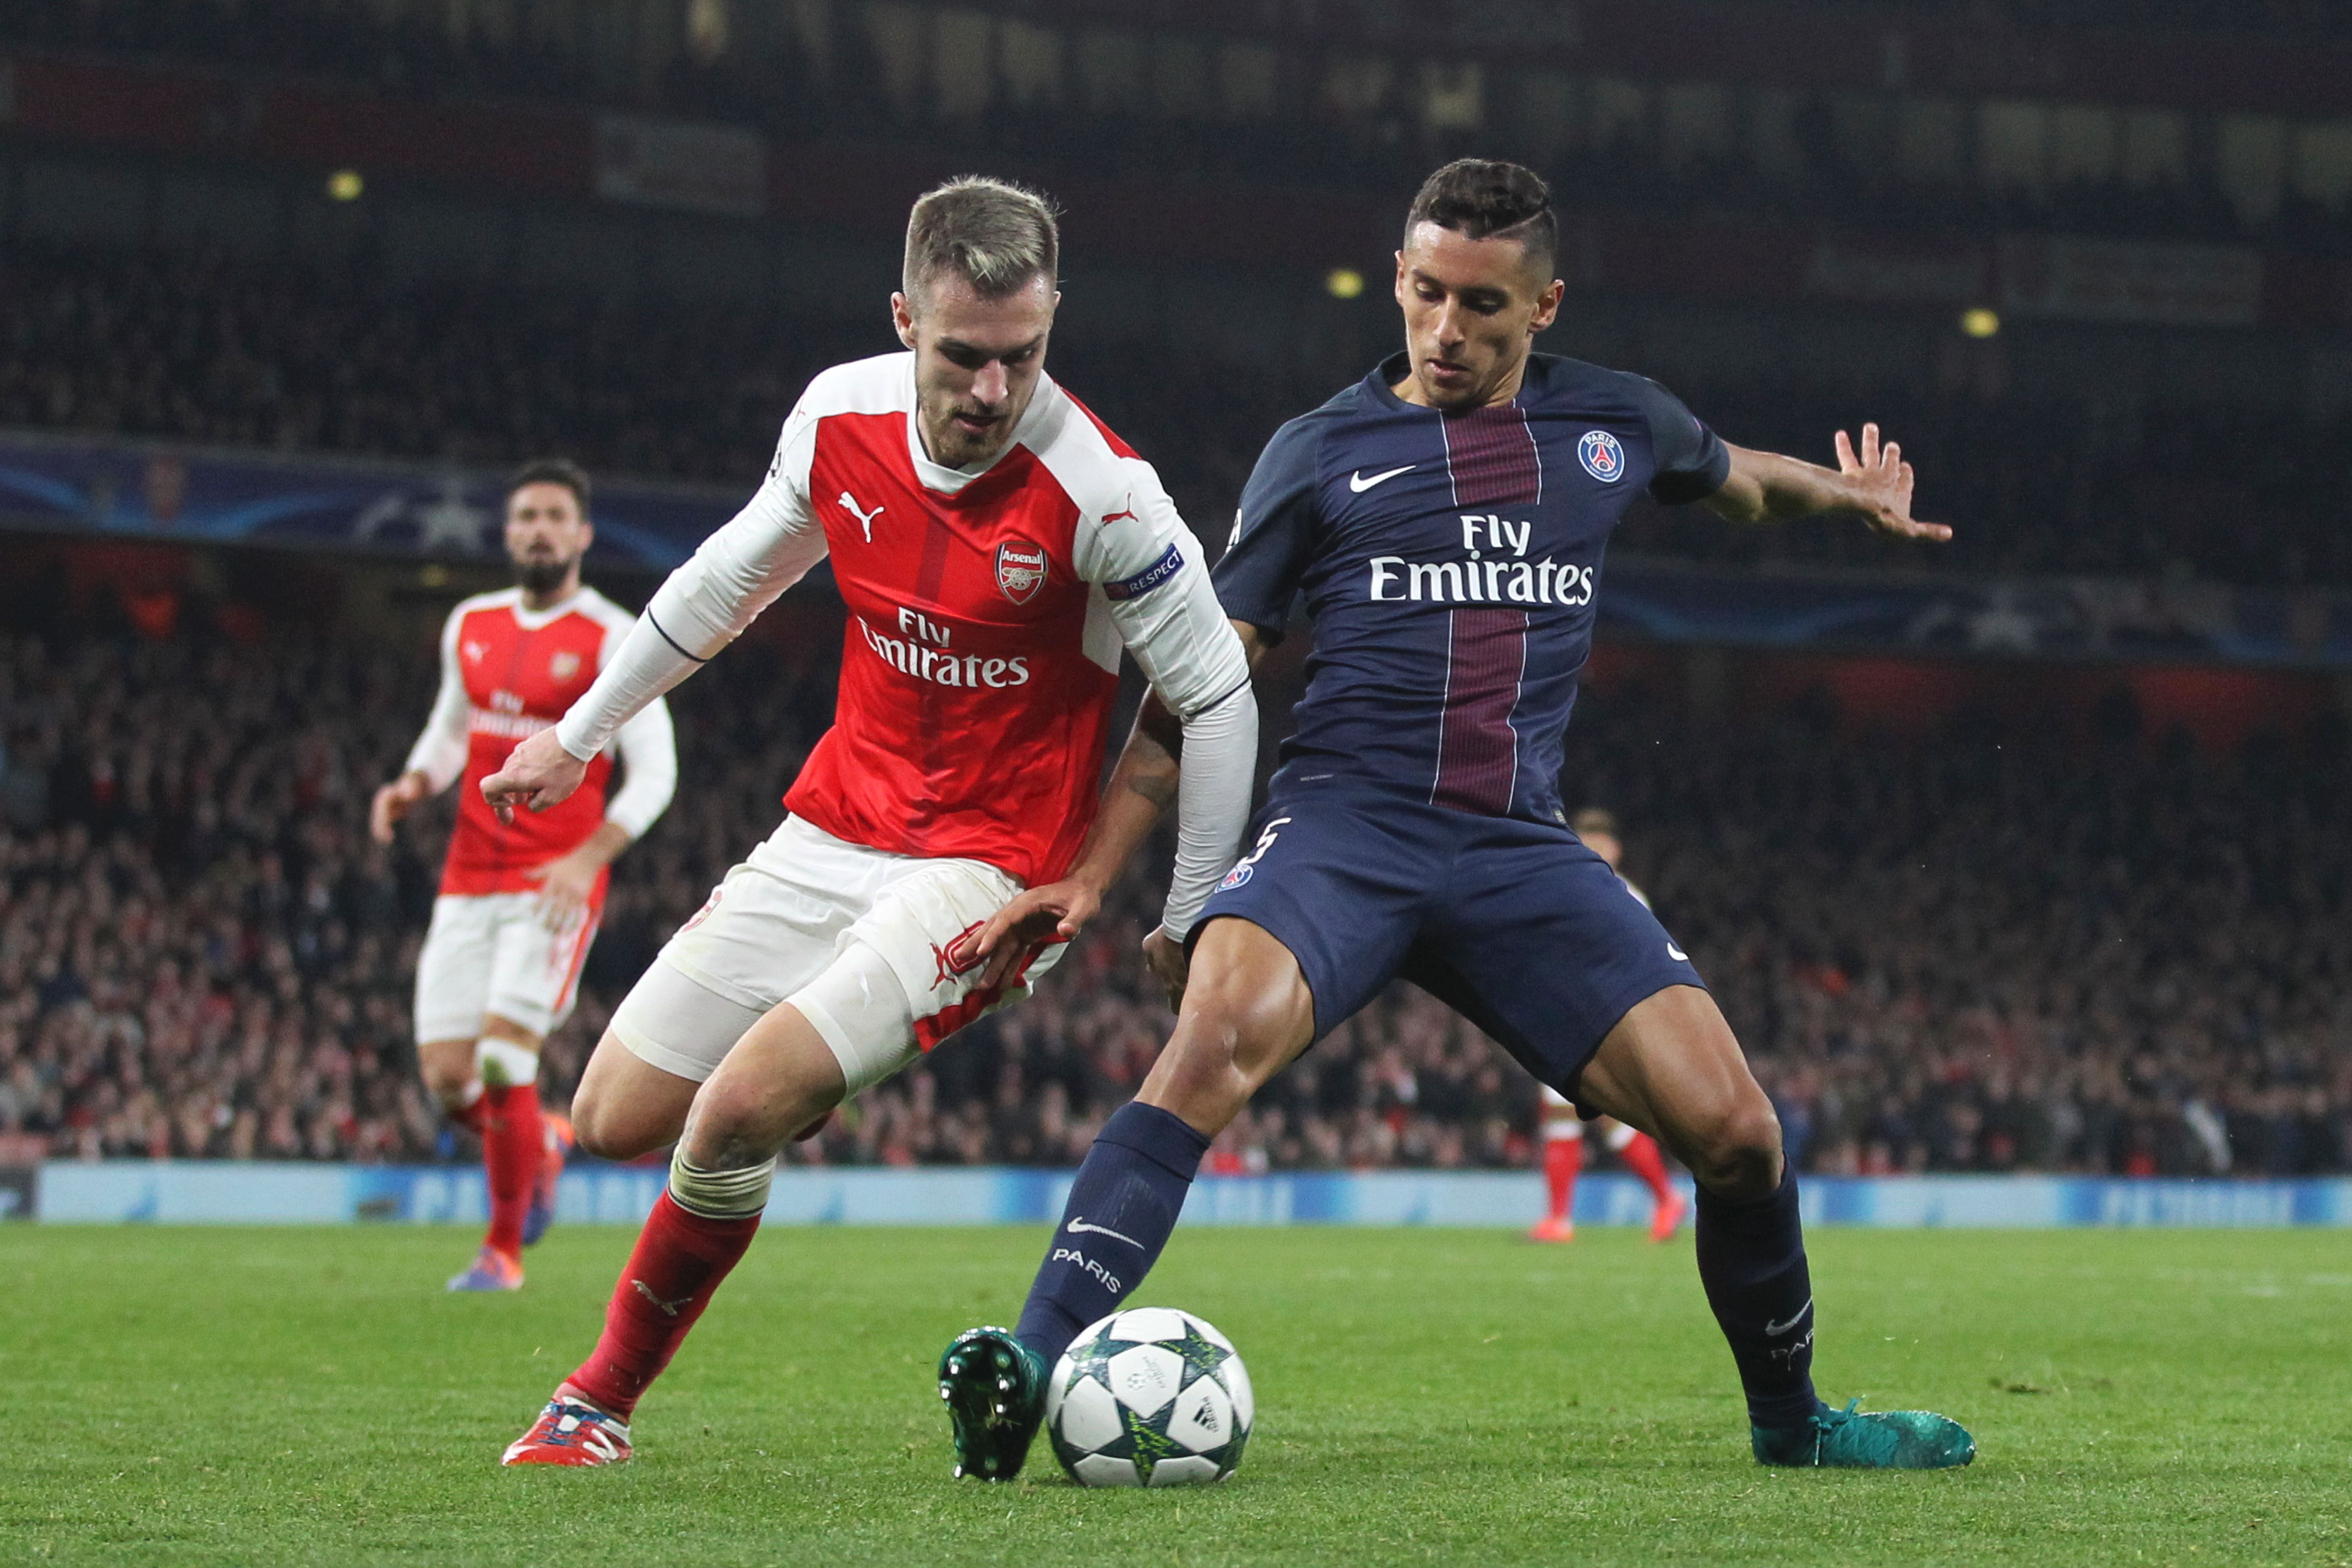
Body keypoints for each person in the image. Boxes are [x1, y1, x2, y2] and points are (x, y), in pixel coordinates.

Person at [942, 159, 1974, 1474]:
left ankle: (1794, 1425)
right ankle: (1027, 1366)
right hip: (1343, 828)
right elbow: (1199, 678)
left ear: (1543, 306)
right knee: (1207, 1043)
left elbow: (1739, 481)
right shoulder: (1317, 451)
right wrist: (1108, 877)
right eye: (1424, 292)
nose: (1445, 329)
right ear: (1397, 280)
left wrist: (1847, 497)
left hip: (1512, 848)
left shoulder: (1613, 423)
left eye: (1482, 304)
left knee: (1737, 1133)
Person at [485, 177, 1258, 1467]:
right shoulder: (835, 416)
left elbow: (1219, 699)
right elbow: (731, 577)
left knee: (729, 1115)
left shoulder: (1106, 492)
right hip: (830, 826)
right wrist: (578, 736)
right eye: (961, 354)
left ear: (1051, 324)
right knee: (617, 1114)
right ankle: (820, 1060)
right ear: (904, 318)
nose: (991, 390)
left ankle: (595, 1402)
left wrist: (1184, 920)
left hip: (987, 870)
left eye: (1022, 357)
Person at [371, 459, 677, 1291]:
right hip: (468, 876)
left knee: (508, 1056)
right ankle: (538, 1140)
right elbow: (449, 729)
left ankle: (500, 1252)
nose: (538, 529)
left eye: (554, 516)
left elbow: (656, 771)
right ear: (507, 533)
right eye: (525, 517)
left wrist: (586, 858)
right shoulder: (470, 621)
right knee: (446, 1078)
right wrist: (412, 783)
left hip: (553, 883)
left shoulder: (617, 636)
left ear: (581, 533)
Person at [1530, 808, 1688, 1244]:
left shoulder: (1628, 897)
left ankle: (1565, 1218)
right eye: (1585, 841)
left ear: (1616, 850)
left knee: (1585, 1111)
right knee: (1586, 1114)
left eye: (1601, 842)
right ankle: (1661, 1199)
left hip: (1605, 1015)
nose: (1593, 849)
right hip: (1569, 1012)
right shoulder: (1562, 889)